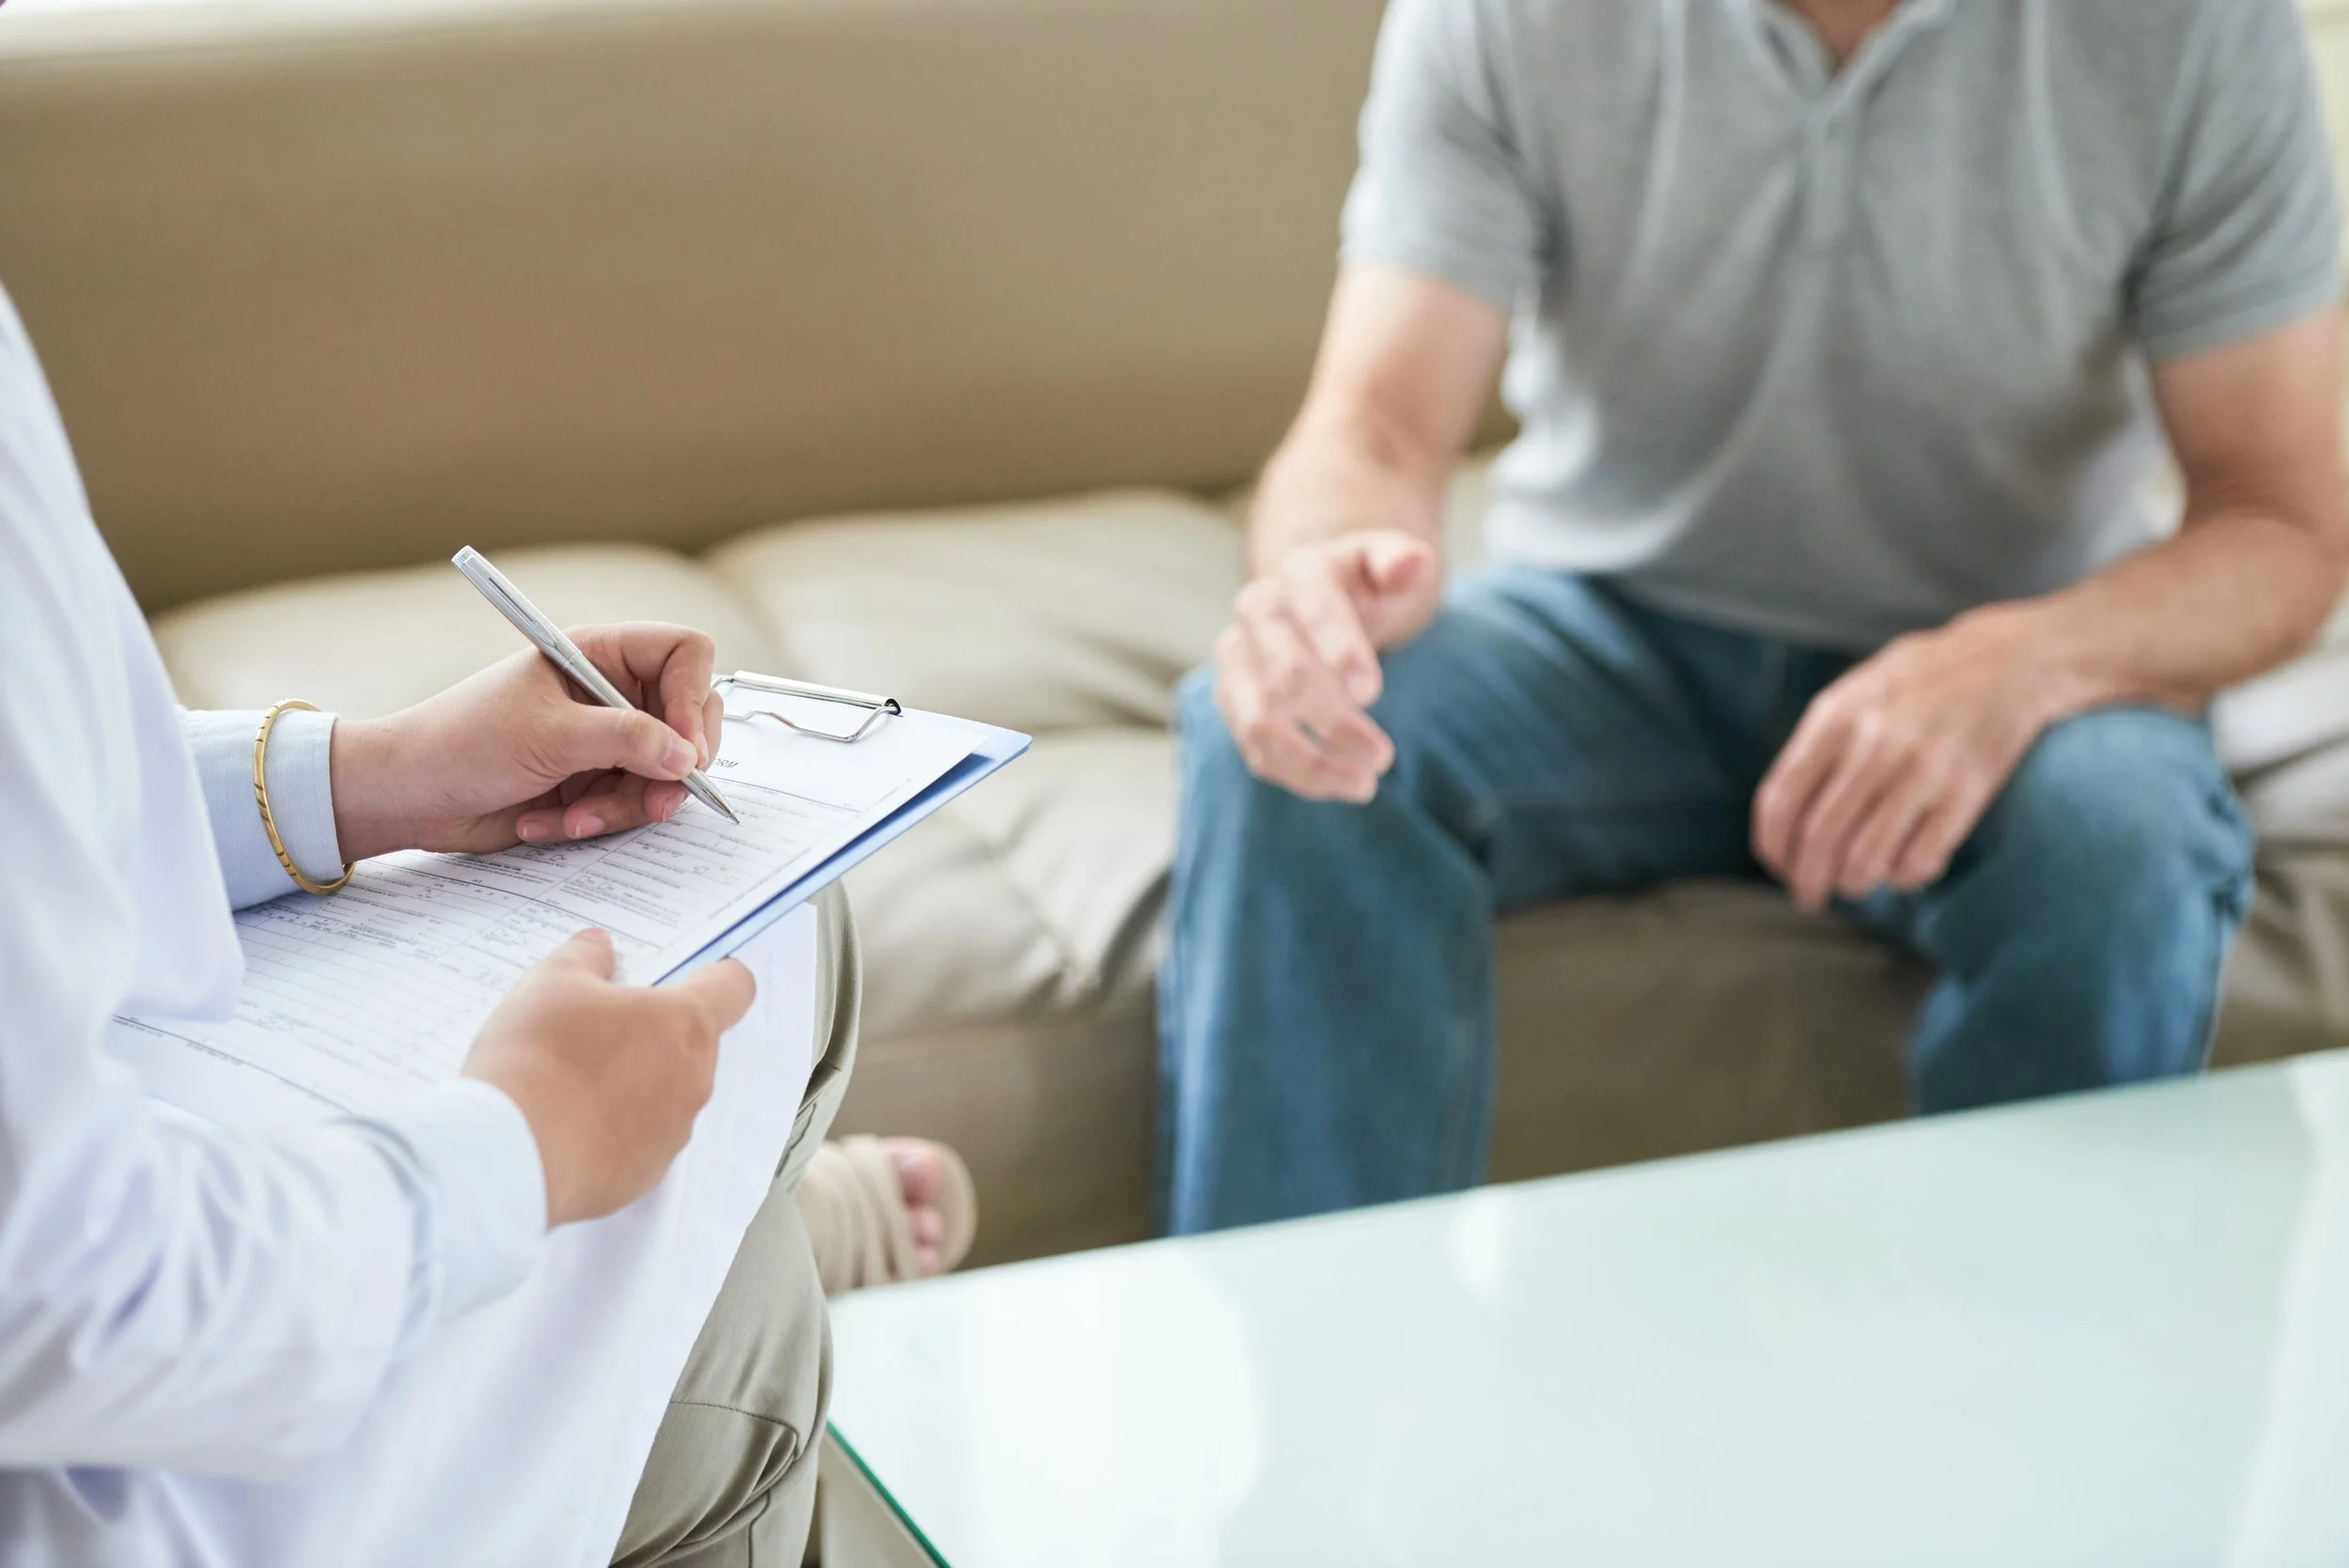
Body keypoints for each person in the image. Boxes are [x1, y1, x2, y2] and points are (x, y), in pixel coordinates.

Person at [1161, 0, 2349, 1234]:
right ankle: (1326, 1404)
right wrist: (1315, 582)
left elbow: (2279, 520)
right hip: (1606, 634)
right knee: (1293, 744)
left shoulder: (2195, 28)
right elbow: (1375, 425)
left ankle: (2023, 1399)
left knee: (2120, 840)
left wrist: (2022, 660)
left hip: (2016, 654)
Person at [0, 279, 964, 1566]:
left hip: (129, 1148)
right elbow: (73, 1298)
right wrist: (521, 1147)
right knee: (750, 1302)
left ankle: (736, 1215)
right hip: (109, 1454)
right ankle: (764, 1221)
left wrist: (368, 776)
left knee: (755, 928)